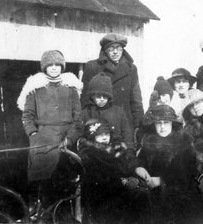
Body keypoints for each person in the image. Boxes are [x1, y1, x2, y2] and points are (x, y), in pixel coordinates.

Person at [17, 50, 83, 208]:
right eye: (50, 65)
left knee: (66, 182)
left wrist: (70, 139)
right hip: (42, 142)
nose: (54, 68)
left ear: (62, 67)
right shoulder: (35, 88)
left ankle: (64, 213)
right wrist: (34, 135)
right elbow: (27, 116)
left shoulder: (71, 88)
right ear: (44, 67)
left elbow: (78, 119)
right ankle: (40, 212)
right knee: (43, 183)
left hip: (66, 140)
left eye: (57, 65)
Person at [137, 105, 203, 224]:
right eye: (158, 123)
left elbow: (187, 173)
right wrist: (139, 167)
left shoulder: (184, 142)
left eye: (166, 122)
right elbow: (141, 160)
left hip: (183, 194)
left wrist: (161, 181)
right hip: (157, 195)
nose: (162, 127)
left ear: (173, 124)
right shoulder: (149, 142)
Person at [78, 118, 151, 224]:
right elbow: (96, 176)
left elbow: (127, 163)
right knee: (137, 197)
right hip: (100, 194)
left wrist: (135, 169)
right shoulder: (89, 153)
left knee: (143, 195)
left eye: (106, 134)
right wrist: (124, 181)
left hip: (118, 188)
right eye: (100, 135)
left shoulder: (115, 148)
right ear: (91, 136)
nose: (104, 137)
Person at [81, 33, 144, 136]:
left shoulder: (131, 69)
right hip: (99, 122)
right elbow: (85, 99)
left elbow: (136, 100)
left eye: (118, 48)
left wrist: (138, 124)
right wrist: (90, 121)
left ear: (123, 50)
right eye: (111, 48)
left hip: (125, 122)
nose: (115, 52)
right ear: (105, 50)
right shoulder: (92, 67)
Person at [80, 72, 133, 150]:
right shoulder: (86, 113)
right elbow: (78, 131)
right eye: (98, 96)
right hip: (93, 152)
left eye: (105, 96)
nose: (102, 99)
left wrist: (129, 149)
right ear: (92, 97)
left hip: (115, 151)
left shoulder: (118, 112)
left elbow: (126, 133)